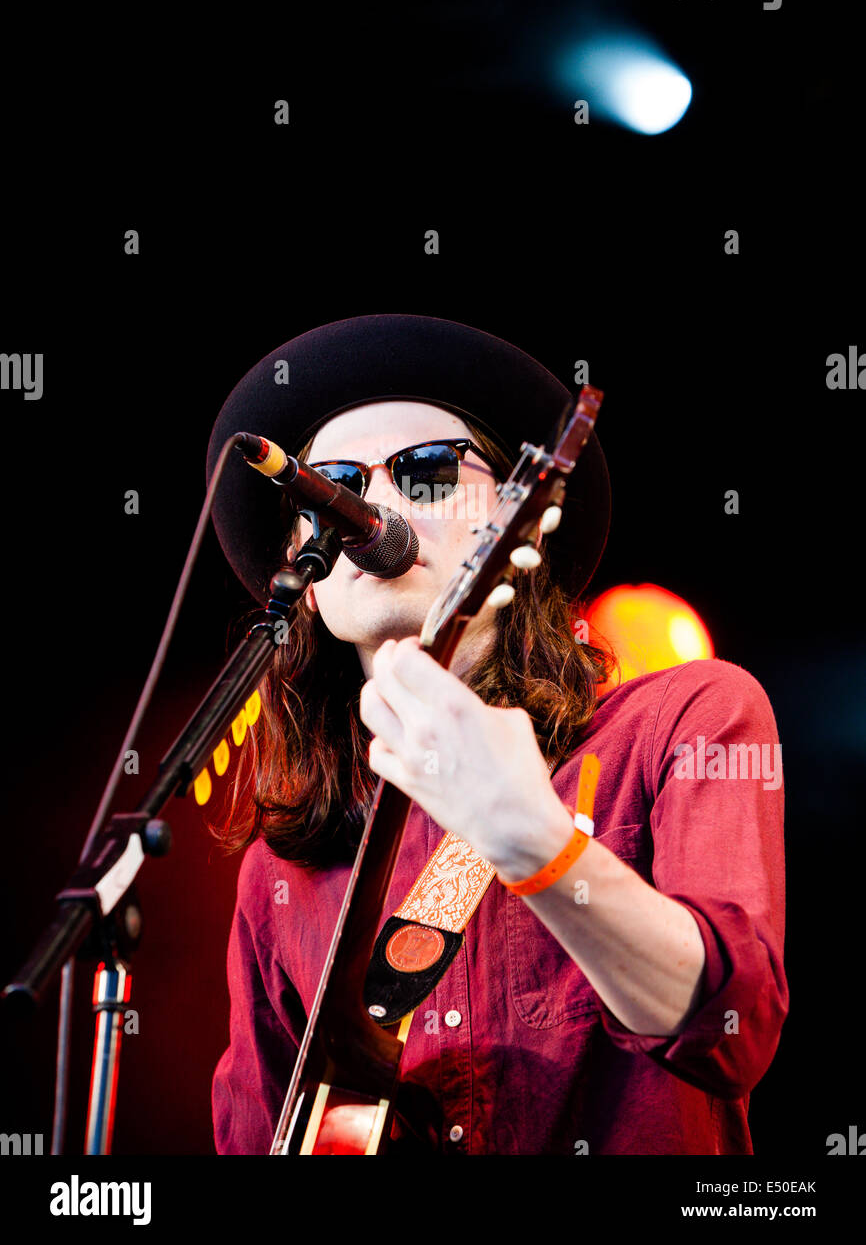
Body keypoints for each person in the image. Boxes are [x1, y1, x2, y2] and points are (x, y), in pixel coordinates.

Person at [205, 313, 788, 1155]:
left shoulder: (687, 718)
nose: (373, 506)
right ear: (307, 581)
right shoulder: (279, 871)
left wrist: (537, 844)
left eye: (429, 472)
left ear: (517, 524)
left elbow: (735, 1029)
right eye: (327, 483)